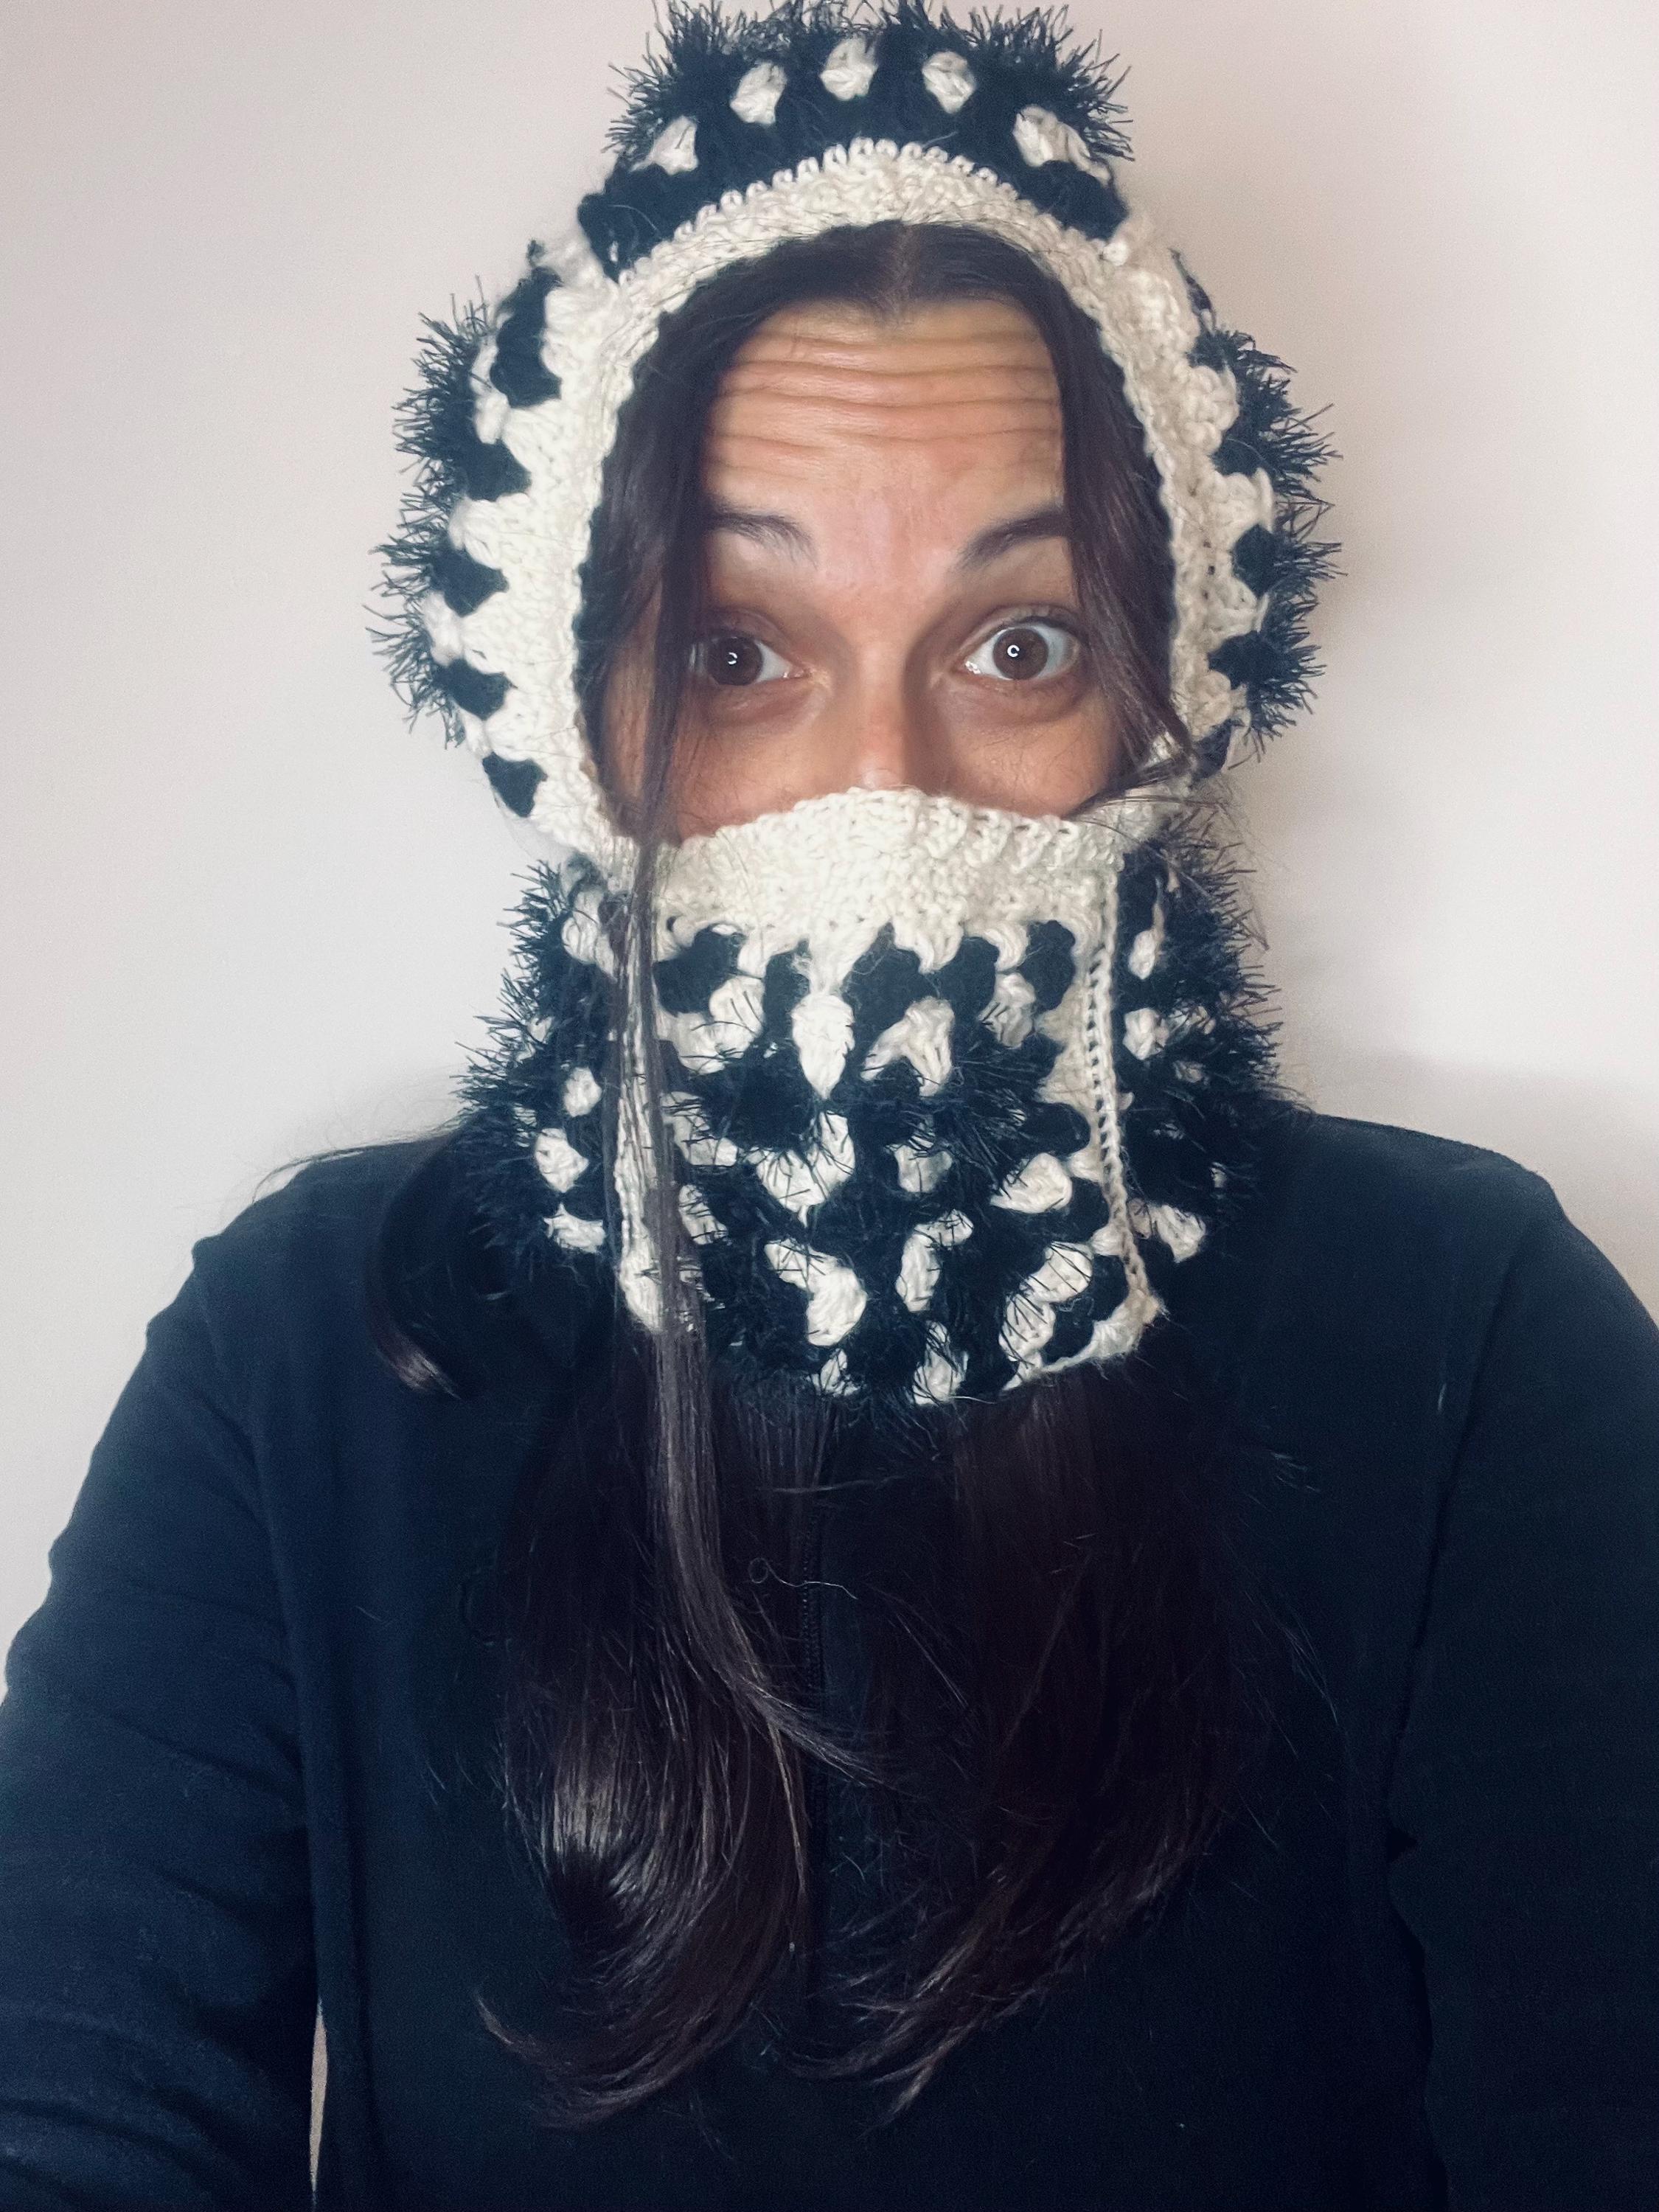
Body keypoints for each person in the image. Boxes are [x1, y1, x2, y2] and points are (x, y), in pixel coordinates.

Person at [2, 4, 1657, 2208]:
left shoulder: (1463, 1340)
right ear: (565, 710)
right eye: (737, 652)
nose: (881, 785)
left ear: (1168, 690)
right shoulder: (308, 1361)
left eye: (1017, 644)